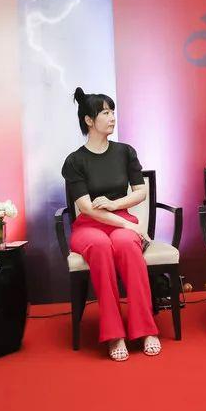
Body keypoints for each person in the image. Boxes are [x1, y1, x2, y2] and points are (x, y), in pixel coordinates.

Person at [62, 87, 159, 362]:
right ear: (89, 120)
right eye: (105, 112)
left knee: (127, 245)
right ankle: (114, 333)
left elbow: (140, 192)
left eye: (112, 111)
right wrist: (128, 225)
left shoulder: (125, 152)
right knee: (101, 245)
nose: (112, 117)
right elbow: (86, 208)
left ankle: (145, 329)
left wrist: (115, 206)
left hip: (121, 219)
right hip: (88, 227)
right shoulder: (75, 161)